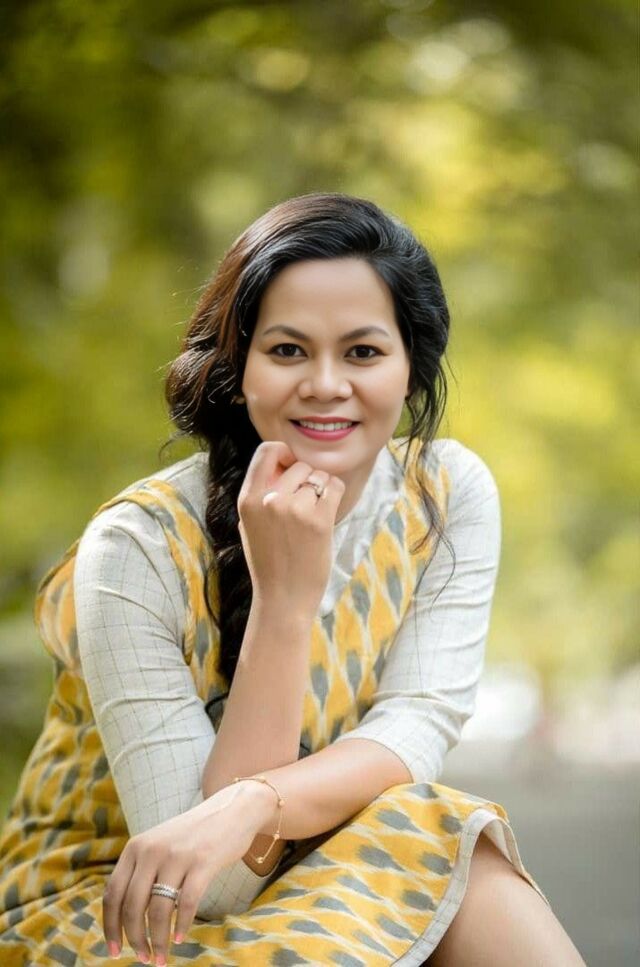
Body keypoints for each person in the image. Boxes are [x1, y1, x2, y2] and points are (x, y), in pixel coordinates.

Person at [0, 192, 586, 966]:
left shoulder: (444, 497)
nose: (325, 383)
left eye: (363, 352)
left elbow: (415, 725)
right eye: (287, 350)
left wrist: (255, 800)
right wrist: (284, 600)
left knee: (448, 832)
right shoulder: (137, 549)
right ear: (236, 369)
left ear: (412, 368)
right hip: (121, 912)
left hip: (317, 862)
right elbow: (214, 888)